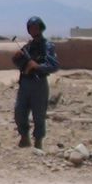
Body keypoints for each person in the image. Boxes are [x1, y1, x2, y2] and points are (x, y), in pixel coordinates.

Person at [12, 15, 60, 149]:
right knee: (19, 111)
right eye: (31, 28)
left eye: (35, 28)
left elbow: (54, 65)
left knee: (39, 115)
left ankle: (38, 141)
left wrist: (37, 66)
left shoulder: (47, 46)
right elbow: (20, 62)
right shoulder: (28, 46)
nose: (33, 30)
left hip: (39, 84)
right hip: (25, 84)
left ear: (40, 28)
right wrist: (18, 59)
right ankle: (24, 137)